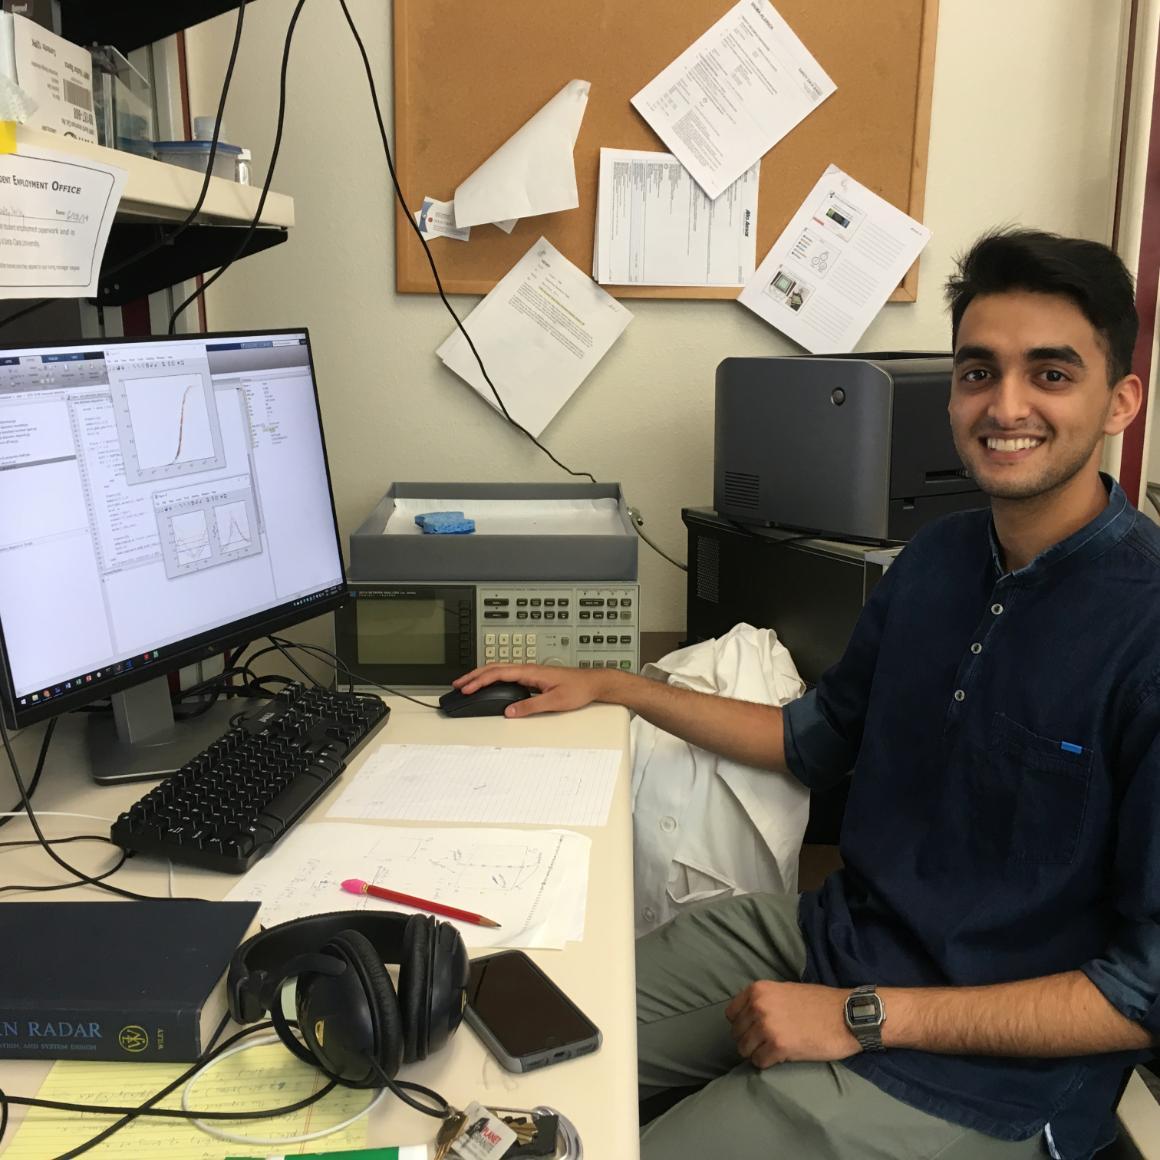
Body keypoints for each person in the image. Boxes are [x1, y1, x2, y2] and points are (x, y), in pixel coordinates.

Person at [452, 229, 1160, 1159]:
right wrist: (618, 687)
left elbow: (1141, 995)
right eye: (979, 371)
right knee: (486, 1053)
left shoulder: (1144, 630)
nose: (1006, 404)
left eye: (1051, 374)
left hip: (982, 1073)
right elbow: (811, 740)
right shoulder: (938, 560)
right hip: (838, 940)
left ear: (1120, 402)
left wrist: (862, 1017)